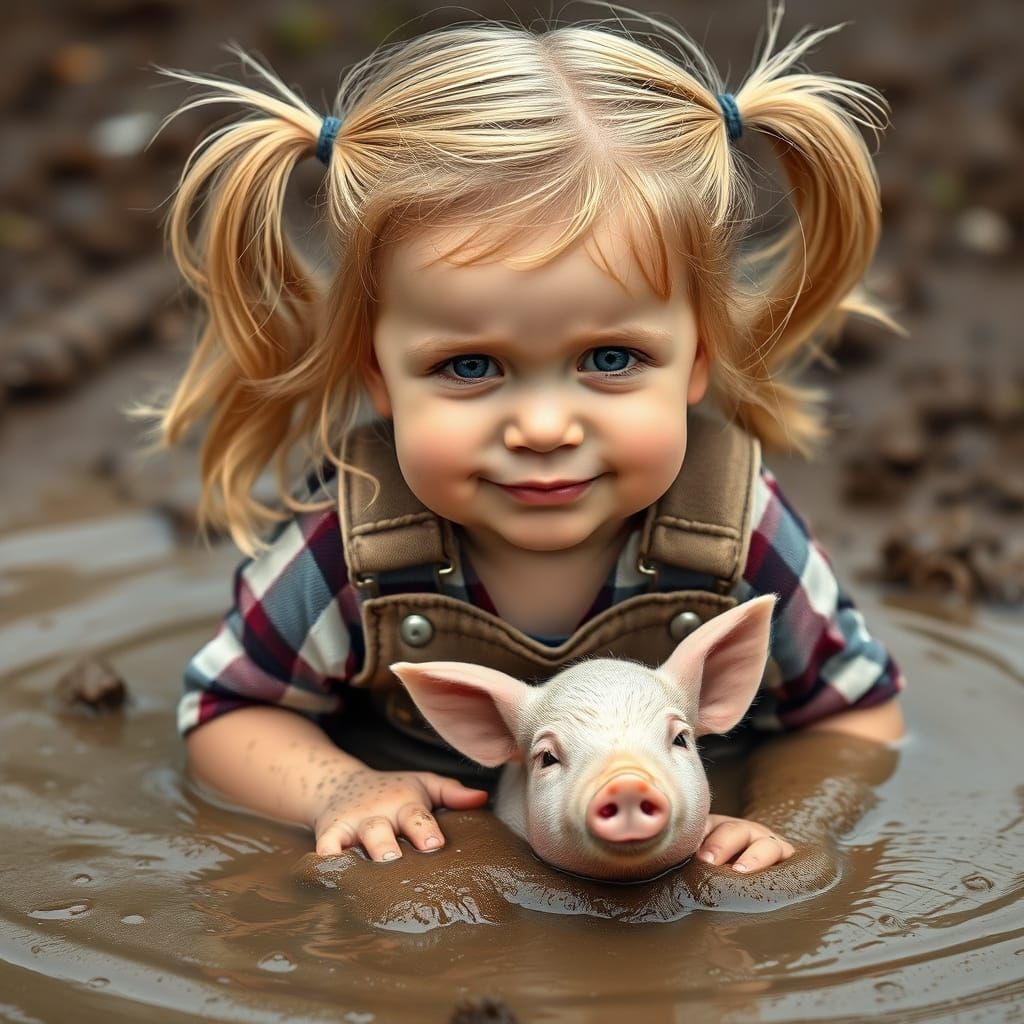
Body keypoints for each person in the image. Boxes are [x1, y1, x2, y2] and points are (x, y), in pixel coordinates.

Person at [147, 6, 905, 874]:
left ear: (698, 359)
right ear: (377, 375)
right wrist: (339, 788)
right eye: (470, 367)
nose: (544, 428)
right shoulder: (347, 546)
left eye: (610, 358)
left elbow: (855, 713)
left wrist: (785, 820)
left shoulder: (735, 531)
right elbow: (225, 715)